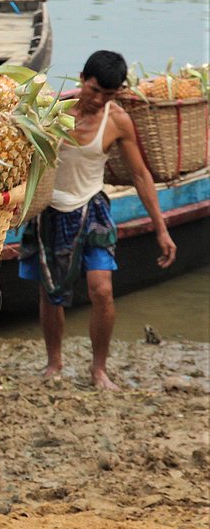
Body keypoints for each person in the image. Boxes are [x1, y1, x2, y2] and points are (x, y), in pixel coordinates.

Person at [18, 50, 177, 391]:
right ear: (81, 79)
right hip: (51, 209)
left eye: (108, 94)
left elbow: (140, 175)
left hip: (92, 208)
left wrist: (161, 228)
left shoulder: (117, 120)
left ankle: (98, 369)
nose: (98, 100)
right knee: (51, 292)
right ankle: (54, 363)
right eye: (93, 90)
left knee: (102, 290)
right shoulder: (51, 112)